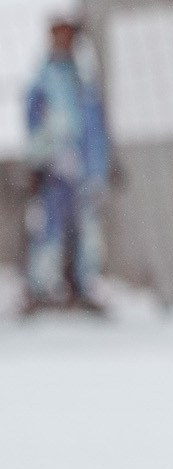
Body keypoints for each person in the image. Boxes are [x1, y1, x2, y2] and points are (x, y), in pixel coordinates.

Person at [22, 17, 109, 313]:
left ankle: (83, 285)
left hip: (83, 171)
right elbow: (34, 123)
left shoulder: (83, 78)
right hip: (54, 170)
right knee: (48, 229)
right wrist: (39, 161)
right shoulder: (43, 80)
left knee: (88, 230)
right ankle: (41, 288)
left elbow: (95, 127)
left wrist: (99, 168)